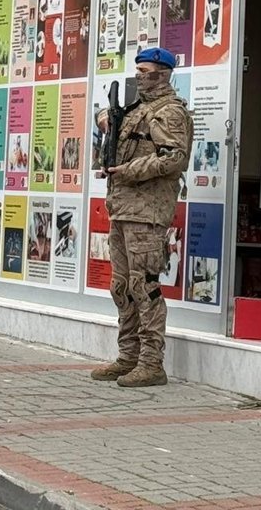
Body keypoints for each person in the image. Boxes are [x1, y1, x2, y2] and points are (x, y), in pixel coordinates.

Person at [90, 47, 192, 388]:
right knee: (121, 286)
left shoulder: (170, 112)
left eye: (145, 71)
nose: (139, 77)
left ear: (163, 73)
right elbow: (113, 128)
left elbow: (174, 158)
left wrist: (130, 170)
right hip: (122, 207)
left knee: (144, 286)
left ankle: (151, 363)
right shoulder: (137, 109)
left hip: (147, 211)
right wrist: (104, 121)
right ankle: (128, 356)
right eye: (137, 71)